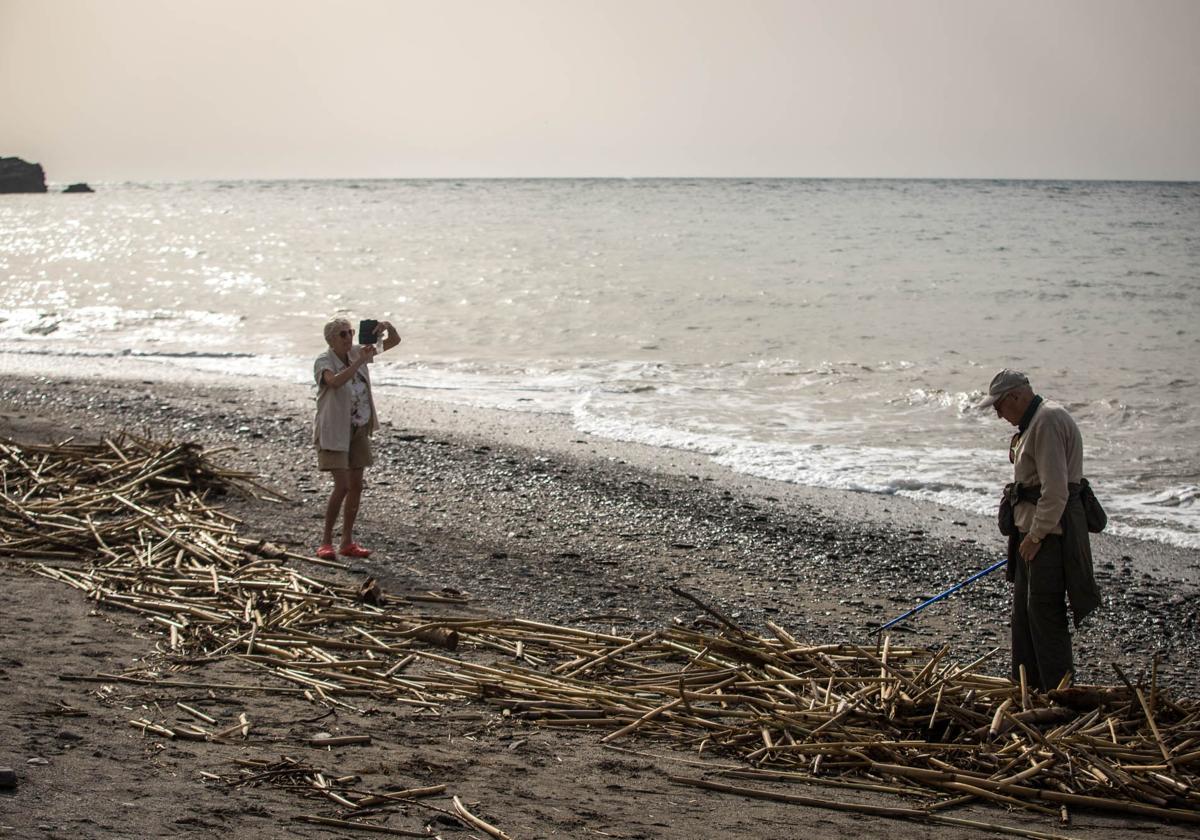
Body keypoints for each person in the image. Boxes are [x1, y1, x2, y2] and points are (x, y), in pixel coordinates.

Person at [981, 369, 1100, 692]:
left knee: (1045, 614)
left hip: (1049, 535)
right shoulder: (1032, 423)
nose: (998, 414)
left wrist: (1036, 536)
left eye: (999, 406)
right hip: (1031, 532)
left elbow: (1056, 490)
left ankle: (1058, 694)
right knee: (1024, 616)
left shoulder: (1047, 420)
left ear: (1017, 396)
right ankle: (1026, 688)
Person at [313, 317, 400, 560]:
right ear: (331, 339)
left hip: (358, 428)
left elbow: (394, 342)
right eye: (342, 334)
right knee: (341, 486)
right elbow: (334, 382)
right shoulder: (324, 360)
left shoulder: (357, 352)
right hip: (333, 429)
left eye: (350, 332)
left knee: (356, 485)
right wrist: (359, 362)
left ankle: (347, 541)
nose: (348, 337)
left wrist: (387, 328)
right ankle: (326, 541)